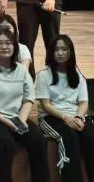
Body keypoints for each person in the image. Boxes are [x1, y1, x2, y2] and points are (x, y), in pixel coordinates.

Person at [0, 27, 48, 182]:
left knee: (38, 140)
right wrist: (7, 122)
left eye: (8, 43)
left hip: (16, 116)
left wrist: (21, 120)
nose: (4, 47)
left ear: (14, 46)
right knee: (5, 141)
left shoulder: (22, 70)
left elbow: (28, 99)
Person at [35, 34, 93, 182]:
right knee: (69, 138)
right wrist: (65, 118)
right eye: (56, 50)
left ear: (70, 51)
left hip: (75, 115)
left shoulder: (78, 75)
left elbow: (84, 102)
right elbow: (45, 105)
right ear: (51, 52)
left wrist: (79, 117)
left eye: (64, 49)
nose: (60, 53)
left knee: (91, 137)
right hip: (50, 117)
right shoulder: (43, 75)